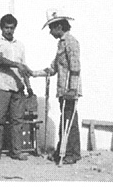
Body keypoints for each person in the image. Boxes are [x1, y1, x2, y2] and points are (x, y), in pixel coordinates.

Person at [32, 9, 82, 165]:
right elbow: (53, 68)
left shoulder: (71, 42)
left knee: (69, 120)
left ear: (59, 27)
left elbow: (75, 67)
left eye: (51, 28)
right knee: (67, 119)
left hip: (69, 90)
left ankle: (70, 154)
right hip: (62, 90)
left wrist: (72, 90)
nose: (50, 32)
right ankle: (69, 151)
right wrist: (33, 73)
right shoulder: (61, 43)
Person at [0, 14, 33, 161]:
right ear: (1, 28)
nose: (9, 30)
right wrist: (17, 64)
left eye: (11, 28)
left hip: (17, 87)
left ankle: (16, 151)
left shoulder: (20, 45)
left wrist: (29, 87)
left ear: (15, 28)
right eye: (6, 27)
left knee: (17, 121)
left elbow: (23, 67)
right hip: (2, 86)